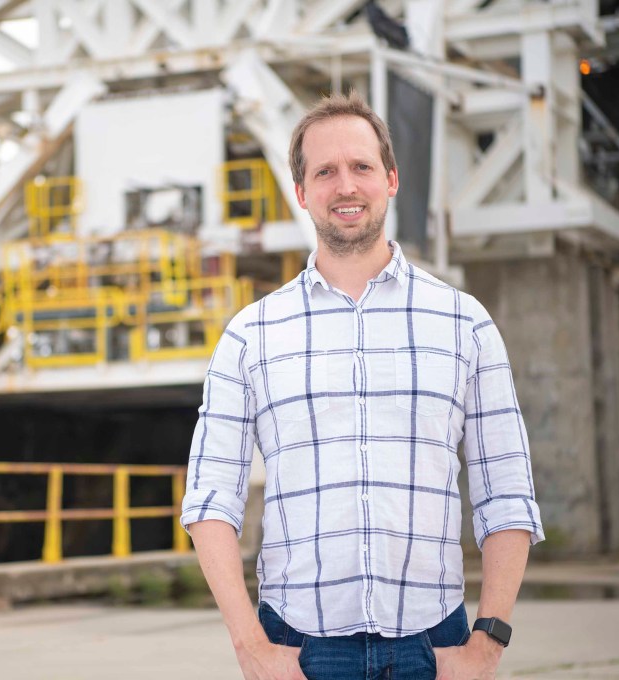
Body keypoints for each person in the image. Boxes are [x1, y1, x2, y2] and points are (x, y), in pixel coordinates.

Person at [180, 92, 545, 680]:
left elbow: (507, 492)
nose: (345, 186)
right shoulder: (250, 336)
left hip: (436, 646)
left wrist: (488, 644)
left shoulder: (464, 324)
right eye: (324, 171)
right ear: (301, 193)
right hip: (298, 650)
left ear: (391, 179)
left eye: (361, 167)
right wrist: (250, 647)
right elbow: (208, 499)